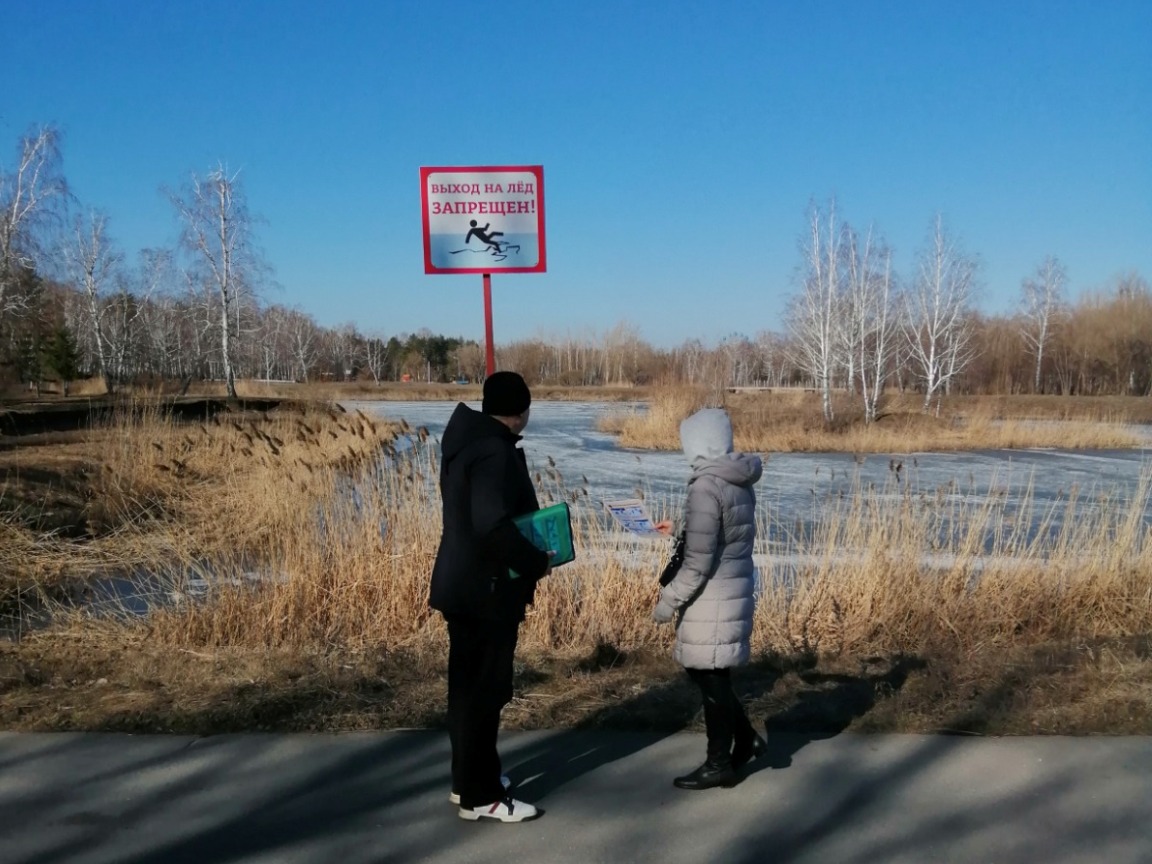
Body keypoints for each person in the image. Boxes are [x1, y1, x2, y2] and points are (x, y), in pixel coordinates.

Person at [429, 370, 551, 822]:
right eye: (525, 410)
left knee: (465, 691)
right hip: (487, 590)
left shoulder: (465, 443)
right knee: (485, 692)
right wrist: (536, 560)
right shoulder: (494, 451)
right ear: (518, 413)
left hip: (461, 584)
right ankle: (483, 797)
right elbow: (492, 525)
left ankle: (468, 783)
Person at [652, 407, 767, 790]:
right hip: (730, 590)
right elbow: (723, 536)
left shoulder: (704, 487)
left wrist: (668, 602)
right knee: (710, 673)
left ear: (697, 446)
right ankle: (746, 739)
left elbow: (698, 563)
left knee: (710, 677)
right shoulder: (736, 479)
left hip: (710, 597)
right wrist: (679, 529)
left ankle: (719, 763)